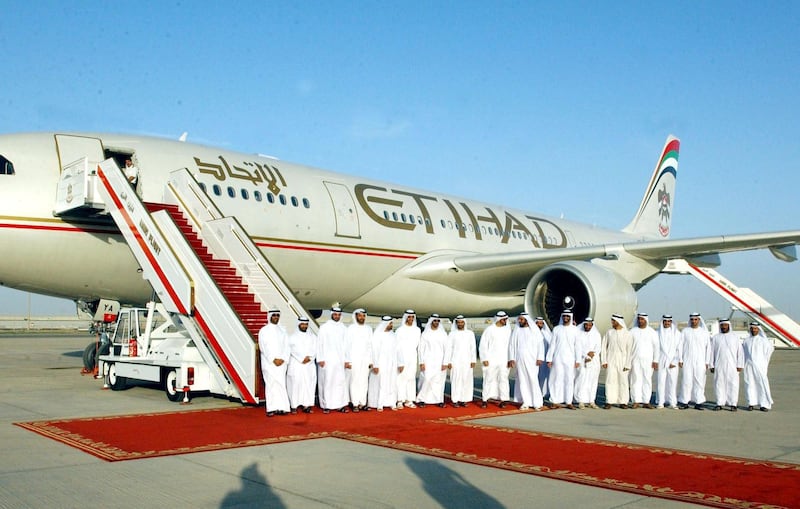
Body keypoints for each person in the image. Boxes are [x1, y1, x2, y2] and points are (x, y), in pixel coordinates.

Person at [508, 312, 545, 410]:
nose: (519, 321)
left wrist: (540, 358)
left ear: (526, 320)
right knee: (522, 380)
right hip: (520, 360)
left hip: (532, 360)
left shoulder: (534, 331)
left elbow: (540, 345)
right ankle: (526, 402)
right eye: (519, 319)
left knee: (533, 379)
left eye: (521, 319)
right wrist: (512, 358)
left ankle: (537, 403)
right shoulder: (517, 330)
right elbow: (512, 345)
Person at [258, 308, 290, 416]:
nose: (276, 317)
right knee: (271, 384)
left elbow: (287, 347)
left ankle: (282, 407)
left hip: (281, 363)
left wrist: (283, 359)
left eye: (277, 315)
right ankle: (271, 408)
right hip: (269, 363)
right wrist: (273, 359)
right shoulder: (264, 330)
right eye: (274, 315)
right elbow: (263, 348)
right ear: (269, 316)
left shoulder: (283, 330)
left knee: (281, 384)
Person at [316, 306, 349, 413]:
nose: (337, 316)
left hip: (340, 361)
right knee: (327, 382)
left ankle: (340, 405)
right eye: (335, 314)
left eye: (339, 315)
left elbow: (346, 346)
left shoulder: (343, 328)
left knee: (339, 382)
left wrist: (346, 360)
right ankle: (326, 405)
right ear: (331, 314)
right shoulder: (324, 327)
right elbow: (319, 344)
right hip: (327, 360)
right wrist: (320, 358)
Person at [546, 310, 581, 409]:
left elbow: (577, 346)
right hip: (557, 358)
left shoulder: (575, 330)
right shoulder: (557, 329)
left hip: (570, 359)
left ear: (570, 317)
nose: (566, 318)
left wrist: (578, 360)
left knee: (569, 380)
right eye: (564, 316)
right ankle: (555, 401)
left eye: (567, 316)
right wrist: (549, 358)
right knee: (556, 379)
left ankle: (569, 402)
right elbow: (552, 345)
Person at [479, 311, 512, 408]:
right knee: (488, 378)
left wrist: (510, 359)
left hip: (504, 359)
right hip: (491, 359)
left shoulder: (508, 330)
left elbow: (511, 346)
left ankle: (504, 399)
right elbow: (483, 345)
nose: (506, 321)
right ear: (499, 319)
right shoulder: (489, 330)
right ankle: (485, 399)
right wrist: (484, 358)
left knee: (503, 379)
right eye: (504, 319)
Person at [709, 319, 744, 411]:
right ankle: (719, 403)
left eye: (725, 325)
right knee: (719, 384)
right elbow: (712, 352)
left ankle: (733, 403)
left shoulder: (735, 337)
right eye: (722, 325)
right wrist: (711, 365)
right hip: (719, 365)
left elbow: (740, 352)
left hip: (733, 366)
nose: (724, 327)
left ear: (728, 325)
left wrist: (740, 364)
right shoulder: (716, 337)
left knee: (733, 384)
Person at [416, 314, 450, 407]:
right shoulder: (425, 334)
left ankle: (439, 400)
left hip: (440, 362)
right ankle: (421, 399)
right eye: (434, 321)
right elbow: (421, 349)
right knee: (426, 379)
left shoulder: (443, 334)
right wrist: (421, 362)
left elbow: (447, 349)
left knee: (438, 381)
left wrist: (445, 362)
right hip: (428, 361)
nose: (436, 323)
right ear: (431, 321)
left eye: (438, 321)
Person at [679, 313, 711, 410]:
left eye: (696, 319)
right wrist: (680, 359)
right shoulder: (685, 331)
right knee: (686, 381)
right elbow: (680, 346)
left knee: (699, 381)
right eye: (692, 319)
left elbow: (708, 348)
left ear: (699, 320)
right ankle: (684, 401)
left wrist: (707, 361)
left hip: (700, 361)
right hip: (687, 360)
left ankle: (699, 402)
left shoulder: (704, 332)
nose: (694, 321)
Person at [601, 314, 632, 409]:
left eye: (613, 321)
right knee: (610, 380)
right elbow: (603, 347)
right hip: (611, 359)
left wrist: (628, 363)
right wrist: (604, 361)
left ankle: (623, 401)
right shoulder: (609, 333)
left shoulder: (627, 334)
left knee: (623, 381)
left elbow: (630, 350)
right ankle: (609, 400)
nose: (612, 323)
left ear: (618, 322)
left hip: (623, 361)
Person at [368, 316, 399, 412]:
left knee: (391, 382)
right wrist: (375, 365)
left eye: (391, 323)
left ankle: (391, 402)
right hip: (381, 363)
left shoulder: (393, 335)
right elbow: (374, 351)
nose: (391, 325)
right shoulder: (377, 335)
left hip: (392, 363)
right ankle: (379, 403)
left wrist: (399, 363)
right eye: (390, 323)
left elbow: (397, 350)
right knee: (381, 383)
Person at [286, 316, 317, 414]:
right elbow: (291, 349)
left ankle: (306, 405)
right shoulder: (292, 337)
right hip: (296, 364)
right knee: (295, 384)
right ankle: (294, 405)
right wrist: (301, 358)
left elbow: (316, 348)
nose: (304, 326)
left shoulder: (313, 336)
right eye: (302, 324)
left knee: (308, 384)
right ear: (298, 324)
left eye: (306, 324)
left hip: (309, 364)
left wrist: (310, 357)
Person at [345, 308, 373, 412]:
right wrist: (348, 360)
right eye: (360, 315)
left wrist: (370, 360)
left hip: (365, 359)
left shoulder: (368, 329)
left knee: (364, 380)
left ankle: (363, 403)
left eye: (363, 316)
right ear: (356, 316)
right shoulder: (351, 328)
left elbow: (370, 346)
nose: (362, 317)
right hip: (354, 358)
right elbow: (347, 346)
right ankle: (355, 403)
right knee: (354, 381)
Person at [628, 313, 659, 409]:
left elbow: (656, 347)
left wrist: (655, 360)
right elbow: (629, 346)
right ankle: (636, 400)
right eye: (639, 319)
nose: (640, 321)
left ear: (646, 320)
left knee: (647, 380)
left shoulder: (652, 332)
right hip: (635, 359)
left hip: (648, 361)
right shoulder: (632, 331)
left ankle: (646, 401)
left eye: (642, 319)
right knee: (635, 379)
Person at [742, 322, 774, 411]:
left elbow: (769, 351)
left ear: (759, 329)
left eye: (755, 328)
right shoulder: (746, 340)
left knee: (761, 384)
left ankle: (764, 404)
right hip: (748, 366)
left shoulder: (764, 341)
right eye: (752, 328)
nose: (753, 330)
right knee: (749, 383)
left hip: (760, 366)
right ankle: (751, 403)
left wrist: (763, 362)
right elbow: (744, 353)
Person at [448, 315, 477, 407]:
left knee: (466, 380)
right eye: (458, 322)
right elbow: (449, 348)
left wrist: (473, 360)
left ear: (464, 323)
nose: (460, 324)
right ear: (456, 323)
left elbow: (473, 348)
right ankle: (455, 400)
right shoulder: (452, 334)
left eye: (462, 322)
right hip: (455, 360)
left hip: (467, 360)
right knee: (456, 379)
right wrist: (448, 361)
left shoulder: (470, 333)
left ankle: (464, 399)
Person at [573, 317, 601, 409]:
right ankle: (580, 401)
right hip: (582, 360)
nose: (588, 326)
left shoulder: (596, 334)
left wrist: (592, 355)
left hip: (594, 361)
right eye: (586, 325)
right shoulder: (579, 334)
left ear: (592, 325)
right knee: (581, 380)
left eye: (589, 325)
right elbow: (577, 347)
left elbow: (598, 347)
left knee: (592, 381)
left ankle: (591, 400)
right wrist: (586, 355)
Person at [395, 309, 421, 409]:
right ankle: (400, 400)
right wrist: (399, 361)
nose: (410, 319)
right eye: (409, 317)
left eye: (412, 317)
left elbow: (417, 345)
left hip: (412, 357)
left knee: (411, 378)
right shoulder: (400, 330)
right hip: (402, 357)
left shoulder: (417, 330)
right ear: (405, 318)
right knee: (401, 378)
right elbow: (397, 347)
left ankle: (409, 400)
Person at [655, 315, 681, 409]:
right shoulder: (657, 333)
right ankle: (660, 402)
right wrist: (656, 361)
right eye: (665, 321)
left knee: (672, 382)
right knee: (661, 382)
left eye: (669, 321)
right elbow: (656, 348)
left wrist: (675, 361)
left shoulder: (677, 333)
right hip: (661, 359)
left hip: (673, 361)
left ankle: (672, 402)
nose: (667, 323)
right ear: (662, 322)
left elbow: (679, 349)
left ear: (671, 322)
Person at [534, 316, 552, 401]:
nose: (539, 325)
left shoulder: (547, 334)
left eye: (541, 323)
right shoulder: (532, 333)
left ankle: (543, 393)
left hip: (544, 360)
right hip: (533, 359)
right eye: (537, 323)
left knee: (543, 376)